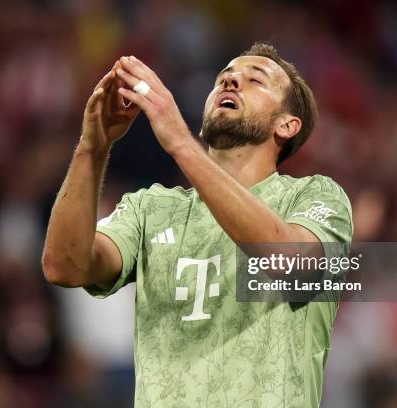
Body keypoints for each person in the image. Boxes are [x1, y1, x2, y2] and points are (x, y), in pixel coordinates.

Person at [42, 42, 353, 407]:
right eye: (225, 77)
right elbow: (64, 265)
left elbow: (292, 263)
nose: (232, 82)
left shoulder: (316, 197)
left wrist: (179, 143)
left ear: (287, 125)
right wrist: (92, 147)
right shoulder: (151, 208)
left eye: (255, 79)